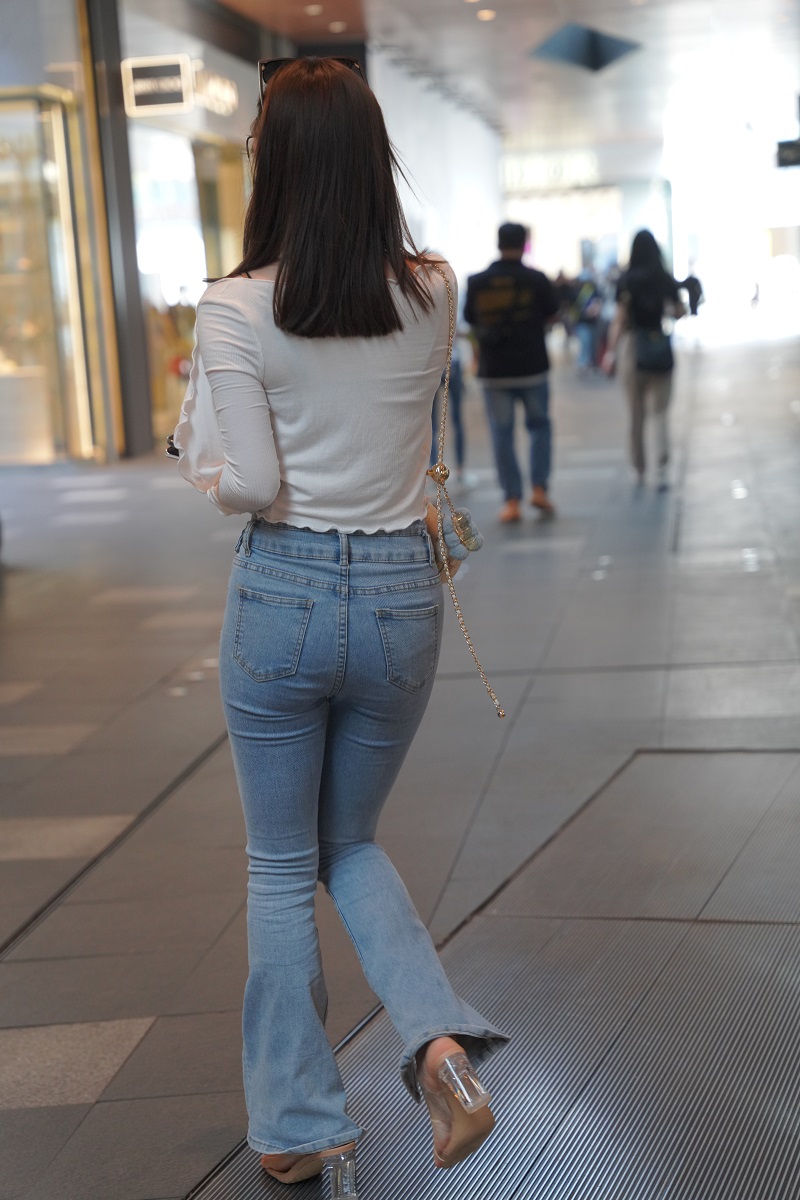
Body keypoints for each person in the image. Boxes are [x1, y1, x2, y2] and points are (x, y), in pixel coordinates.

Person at [175, 57, 507, 1200]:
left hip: (283, 592)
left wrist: (198, 463)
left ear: (270, 164)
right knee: (348, 841)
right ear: (373, 159)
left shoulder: (234, 305)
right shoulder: (433, 289)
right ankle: (437, 1045)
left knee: (281, 863)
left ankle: (300, 1124)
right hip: (401, 595)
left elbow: (251, 482)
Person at [464, 223, 559, 522]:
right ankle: (539, 489)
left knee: (501, 434)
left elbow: (469, 318)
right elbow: (553, 313)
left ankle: (512, 500)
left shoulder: (478, 282)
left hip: (495, 372)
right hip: (533, 367)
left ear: (498, 243)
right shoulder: (537, 279)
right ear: (524, 244)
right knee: (539, 427)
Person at [603, 230, 685, 488]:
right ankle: (661, 469)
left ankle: (639, 468)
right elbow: (679, 311)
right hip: (658, 344)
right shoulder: (664, 278)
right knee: (660, 412)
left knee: (635, 414)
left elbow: (619, 320)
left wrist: (610, 352)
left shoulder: (626, 280)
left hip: (632, 347)